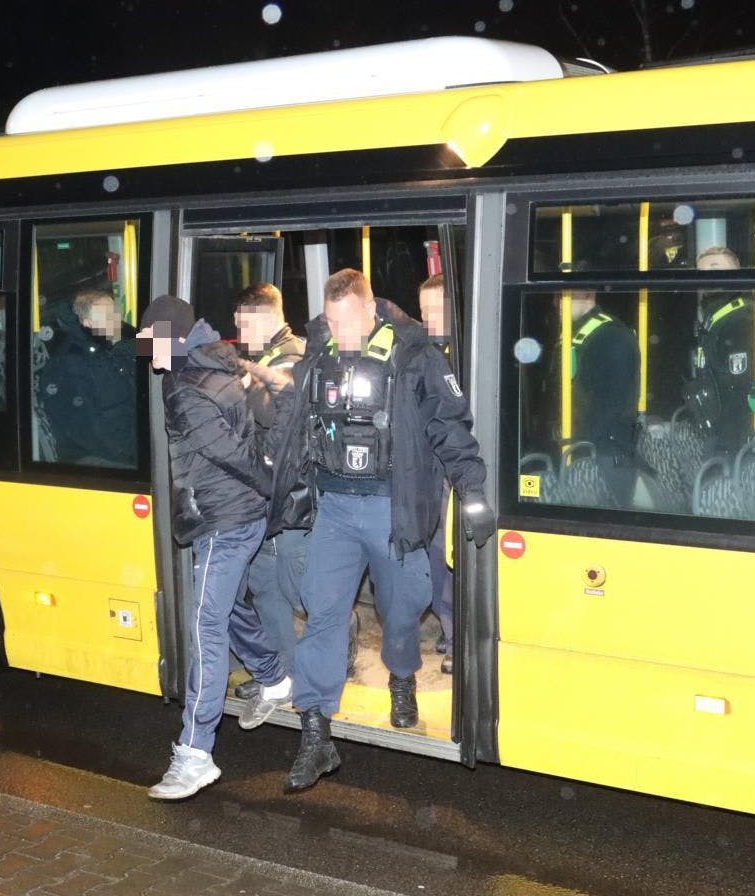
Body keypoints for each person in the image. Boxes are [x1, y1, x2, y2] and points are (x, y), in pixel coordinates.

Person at [260, 268, 495, 793]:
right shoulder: (318, 352)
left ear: (371, 310)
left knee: (403, 610)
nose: (341, 333)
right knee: (323, 614)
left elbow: (450, 427)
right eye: (332, 322)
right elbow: (295, 423)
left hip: (395, 509)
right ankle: (315, 733)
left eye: (349, 322)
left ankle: (402, 675)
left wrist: (473, 490)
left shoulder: (414, 355)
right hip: (335, 510)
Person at [137, 294, 290, 801]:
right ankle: (273, 677)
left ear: (173, 338)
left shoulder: (185, 386)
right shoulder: (216, 362)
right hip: (237, 514)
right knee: (223, 607)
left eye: (150, 340)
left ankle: (196, 752)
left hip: (224, 520)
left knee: (204, 624)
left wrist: (267, 486)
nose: (146, 351)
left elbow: (229, 453)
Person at [230, 284, 309, 703]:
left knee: (301, 590)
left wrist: (245, 386)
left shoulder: (293, 357)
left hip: (293, 499)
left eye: (244, 325)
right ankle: (283, 671)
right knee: (265, 589)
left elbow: (275, 414)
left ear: (264, 317)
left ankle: (342, 637)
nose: (240, 335)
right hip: (264, 496)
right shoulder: (266, 358)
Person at [685, 246, 755, 452]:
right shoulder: (717, 316)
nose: (706, 276)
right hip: (721, 433)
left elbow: (741, 390)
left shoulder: (742, 319)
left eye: (715, 269)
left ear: (736, 275)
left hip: (740, 439)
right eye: (701, 272)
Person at [39, 287, 138, 467]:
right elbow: (89, 429)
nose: (116, 320)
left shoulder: (115, 343)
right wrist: (135, 452)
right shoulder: (70, 362)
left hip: (126, 440)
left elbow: (175, 352)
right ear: (87, 323)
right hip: (93, 457)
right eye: (108, 316)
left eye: (116, 313)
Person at [562, 286, 641, 503]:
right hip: (585, 449)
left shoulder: (611, 336)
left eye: (567, 295)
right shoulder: (580, 333)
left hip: (604, 455)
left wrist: (587, 441)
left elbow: (616, 401)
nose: (558, 303)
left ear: (589, 294)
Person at [417, 274, 455, 675]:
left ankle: (456, 637)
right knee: (433, 557)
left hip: (450, 475)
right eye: (422, 310)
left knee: (447, 558)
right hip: (428, 474)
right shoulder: (426, 353)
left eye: (434, 310)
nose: (427, 318)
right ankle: (448, 627)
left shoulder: (463, 353)